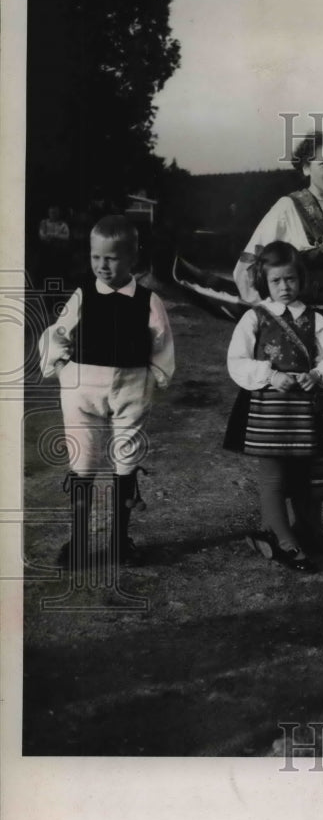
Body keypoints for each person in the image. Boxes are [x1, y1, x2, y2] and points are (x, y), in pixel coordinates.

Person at [232, 130, 323, 542]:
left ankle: (309, 525)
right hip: (299, 330)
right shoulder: (287, 207)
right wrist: (270, 316)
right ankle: (281, 529)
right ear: (304, 167)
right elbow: (247, 266)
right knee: (293, 427)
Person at [38, 215, 175, 569]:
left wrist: (155, 378)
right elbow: (58, 332)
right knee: (82, 461)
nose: (102, 265)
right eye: (96, 256)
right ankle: (79, 542)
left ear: (133, 258)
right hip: (82, 388)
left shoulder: (148, 300)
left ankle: (119, 542)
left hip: (131, 388)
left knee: (126, 459)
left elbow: (161, 343)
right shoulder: (83, 293)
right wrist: (61, 364)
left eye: (111, 258)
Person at [225, 241, 323, 573]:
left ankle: (306, 531)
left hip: (303, 410)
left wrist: (317, 376)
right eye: (276, 281)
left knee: (305, 473)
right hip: (268, 408)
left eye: (290, 279)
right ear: (265, 282)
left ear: (300, 279)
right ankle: (283, 540)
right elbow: (237, 361)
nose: (284, 287)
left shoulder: (314, 319)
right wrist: (269, 375)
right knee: (273, 476)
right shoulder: (254, 317)